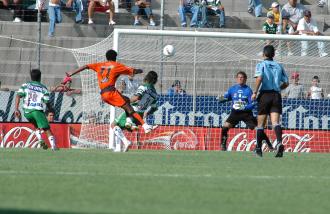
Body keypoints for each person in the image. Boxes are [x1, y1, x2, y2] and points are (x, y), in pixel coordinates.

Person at [65, 49, 155, 134]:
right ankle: (145, 126)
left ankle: (128, 121)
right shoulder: (116, 65)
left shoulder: (99, 65)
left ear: (106, 57)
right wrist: (141, 70)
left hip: (103, 95)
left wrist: (71, 73)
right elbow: (133, 71)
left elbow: (85, 66)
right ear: (115, 57)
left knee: (126, 100)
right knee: (130, 109)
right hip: (111, 92)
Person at [218, 71, 273, 151]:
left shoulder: (248, 90)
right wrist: (220, 99)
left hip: (246, 114)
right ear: (236, 79)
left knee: (258, 129)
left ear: (245, 79)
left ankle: (269, 145)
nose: (240, 79)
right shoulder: (232, 89)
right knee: (225, 127)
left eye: (242, 77)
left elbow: (253, 104)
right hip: (235, 113)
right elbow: (226, 97)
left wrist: (244, 107)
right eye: (239, 77)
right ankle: (223, 145)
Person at [252, 45, 289, 157]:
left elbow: (259, 78)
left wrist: (255, 92)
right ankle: (279, 143)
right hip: (276, 95)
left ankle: (258, 148)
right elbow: (286, 83)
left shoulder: (261, 64)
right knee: (275, 122)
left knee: (260, 124)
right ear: (273, 55)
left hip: (265, 95)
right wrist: (278, 88)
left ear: (264, 54)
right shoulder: (279, 66)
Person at [111, 71, 159, 152]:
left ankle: (126, 142)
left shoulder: (143, 87)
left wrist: (126, 102)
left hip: (133, 111)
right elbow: (154, 108)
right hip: (140, 114)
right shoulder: (155, 94)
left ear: (147, 77)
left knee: (113, 124)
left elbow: (136, 98)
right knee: (119, 127)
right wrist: (146, 113)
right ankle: (118, 148)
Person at [15, 69, 58, 150]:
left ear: (31, 77)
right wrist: (51, 109)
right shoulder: (43, 88)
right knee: (47, 129)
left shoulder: (25, 85)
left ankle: (40, 139)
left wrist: (16, 109)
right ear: (40, 77)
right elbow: (47, 101)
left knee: (36, 126)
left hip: (27, 112)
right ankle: (54, 147)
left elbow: (18, 96)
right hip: (37, 111)